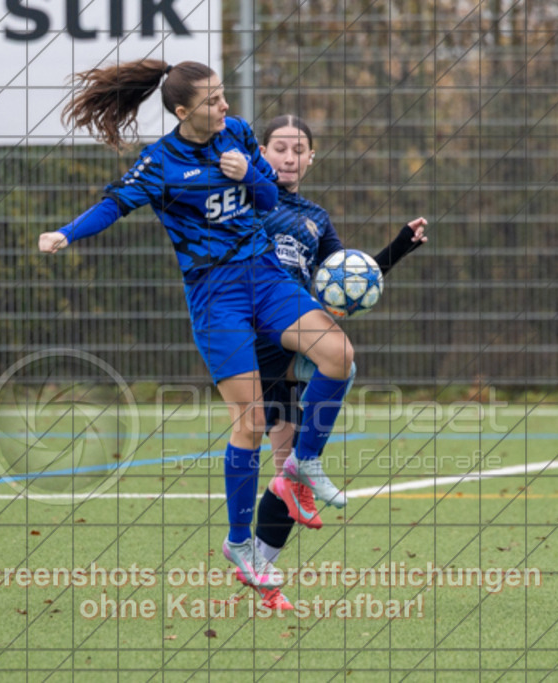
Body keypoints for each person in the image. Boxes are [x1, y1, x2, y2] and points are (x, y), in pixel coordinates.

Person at [37, 62, 356, 589]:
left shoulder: (238, 133)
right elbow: (114, 205)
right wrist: (66, 233)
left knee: (338, 355)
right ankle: (240, 545)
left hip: (266, 276)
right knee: (251, 422)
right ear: (184, 112)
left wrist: (249, 173)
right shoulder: (160, 162)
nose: (224, 106)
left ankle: (303, 463)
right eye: (212, 101)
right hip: (216, 296)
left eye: (223, 95)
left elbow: (269, 198)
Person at [236, 114, 428, 608]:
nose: (289, 157)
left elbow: (346, 280)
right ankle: (269, 542)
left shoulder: (315, 219)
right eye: (279, 147)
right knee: (288, 463)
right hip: (257, 344)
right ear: (261, 152)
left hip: (298, 342)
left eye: (299, 149)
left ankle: (261, 573)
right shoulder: (244, 201)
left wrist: (398, 249)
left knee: (287, 475)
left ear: (311, 159)